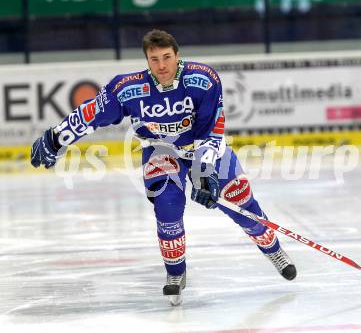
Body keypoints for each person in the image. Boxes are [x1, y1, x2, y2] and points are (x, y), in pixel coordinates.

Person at [30, 29, 297, 306]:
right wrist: (56, 137)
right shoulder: (129, 88)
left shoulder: (202, 79)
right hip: (161, 151)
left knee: (239, 197)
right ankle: (175, 273)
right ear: (147, 60)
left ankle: (273, 249)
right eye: (154, 59)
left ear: (177, 56)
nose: (162, 65)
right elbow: (92, 113)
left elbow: (212, 131)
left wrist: (204, 174)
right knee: (167, 207)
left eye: (167, 57)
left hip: (202, 148)